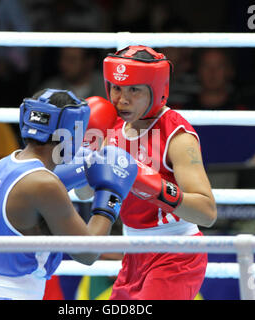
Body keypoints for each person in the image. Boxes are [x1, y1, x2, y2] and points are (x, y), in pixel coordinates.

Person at [0, 88, 137, 300]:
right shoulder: (45, 184)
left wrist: (87, 163)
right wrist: (111, 194)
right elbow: (88, 252)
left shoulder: (5, 164)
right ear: (71, 131)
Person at [77, 45, 217, 300]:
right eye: (117, 88)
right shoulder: (111, 128)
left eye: (134, 89)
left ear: (156, 91)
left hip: (177, 254)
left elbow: (207, 212)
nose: (122, 99)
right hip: (133, 255)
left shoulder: (177, 135)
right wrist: (87, 152)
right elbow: (85, 193)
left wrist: (151, 184)